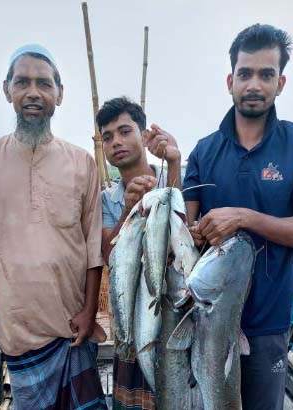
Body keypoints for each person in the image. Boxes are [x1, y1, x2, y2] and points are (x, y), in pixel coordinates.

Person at [183, 24, 293, 410]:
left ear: (280, 83)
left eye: (266, 74)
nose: (254, 84)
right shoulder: (203, 151)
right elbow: (186, 235)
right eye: (245, 73)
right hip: (205, 317)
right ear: (231, 80)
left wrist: (244, 217)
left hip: (268, 320)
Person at [0, 44, 107, 410]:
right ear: (7, 89)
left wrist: (89, 312)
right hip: (18, 332)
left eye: (44, 83)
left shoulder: (82, 163)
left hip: (71, 329)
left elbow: (92, 248)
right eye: (22, 82)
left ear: (59, 94)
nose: (33, 92)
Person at [96, 97, 181, 410]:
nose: (116, 141)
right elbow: (108, 255)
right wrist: (129, 210)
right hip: (131, 321)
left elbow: (182, 231)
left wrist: (173, 164)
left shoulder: (170, 175)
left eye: (124, 131)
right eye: (107, 137)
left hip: (173, 317)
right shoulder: (108, 199)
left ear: (144, 136)